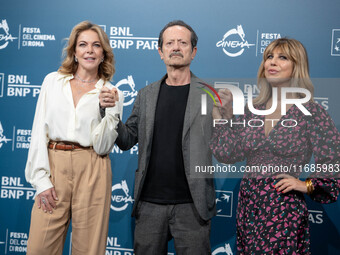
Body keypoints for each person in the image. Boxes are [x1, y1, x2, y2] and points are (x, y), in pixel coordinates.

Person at [210, 38, 340, 254]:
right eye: (269, 57)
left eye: (282, 57)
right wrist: (220, 117)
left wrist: (306, 185)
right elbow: (228, 153)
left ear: (296, 67)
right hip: (249, 207)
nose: (272, 62)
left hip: (283, 209)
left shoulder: (311, 112)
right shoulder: (252, 110)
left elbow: (333, 161)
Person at [100, 20, 216, 254]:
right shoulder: (146, 95)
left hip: (193, 205)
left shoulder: (210, 95)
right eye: (169, 43)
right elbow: (126, 140)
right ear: (160, 52)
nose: (175, 47)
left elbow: (228, 147)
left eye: (182, 43)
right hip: (150, 204)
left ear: (193, 52)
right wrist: (109, 112)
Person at [25, 21, 123, 255]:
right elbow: (39, 131)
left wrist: (104, 111)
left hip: (93, 167)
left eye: (96, 45)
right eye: (83, 45)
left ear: (103, 54)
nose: (89, 50)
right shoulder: (52, 82)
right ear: (74, 52)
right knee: (39, 248)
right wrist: (41, 180)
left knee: (89, 249)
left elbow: (103, 146)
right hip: (54, 164)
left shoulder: (112, 92)